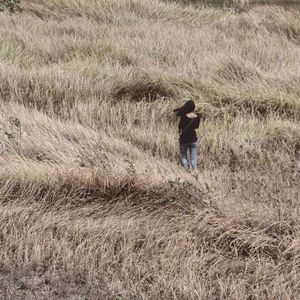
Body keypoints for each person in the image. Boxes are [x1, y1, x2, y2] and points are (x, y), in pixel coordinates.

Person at [174, 99, 201, 171]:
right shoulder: (197, 117)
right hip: (193, 139)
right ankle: (195, 171)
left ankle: (185, 171)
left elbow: (180, 127)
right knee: (193, 157)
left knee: (183, 156)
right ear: (193, 108)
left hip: (184, 139)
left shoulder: (183, 116)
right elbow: (196, 127)